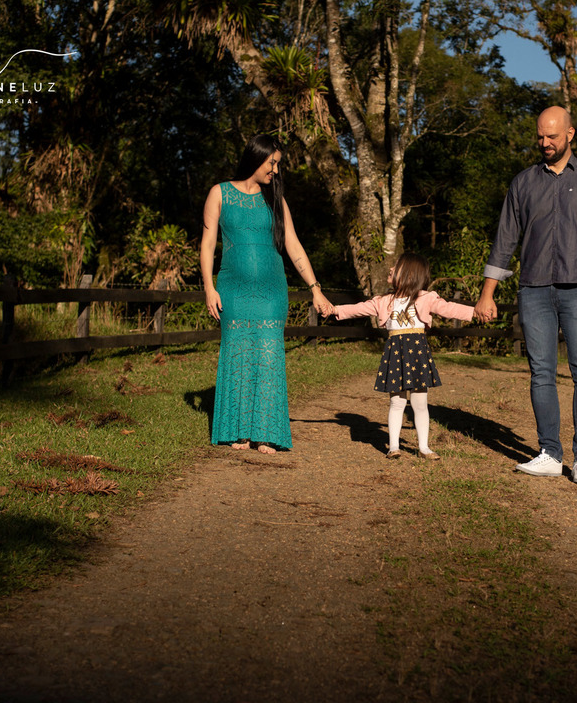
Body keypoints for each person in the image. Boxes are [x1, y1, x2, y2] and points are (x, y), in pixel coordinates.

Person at [473, 106, 577, 486]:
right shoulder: (523, 183)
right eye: (540, 136)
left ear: (570, 134)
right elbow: (504, 240)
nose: (544, 143)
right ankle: (548, 453)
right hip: (535, 290)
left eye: (552, 137)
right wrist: (486, 295)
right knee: (541, 372)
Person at [200, 134, 333, 454]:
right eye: (271, 162)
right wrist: (208, 287)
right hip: (233, 290)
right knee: (238, 355)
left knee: (268, 357)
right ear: (255, 158)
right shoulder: (219, 193)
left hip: (272, 292)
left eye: (278, 164)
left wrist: (315, 289)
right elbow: (207, 244)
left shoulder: (276, 199)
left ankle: (263, 433)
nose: (275, 169)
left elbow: (294, 246)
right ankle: (239, 431)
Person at [330, 252, 475, 459]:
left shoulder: (426, 298)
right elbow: (359, 309)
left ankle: (424, 448)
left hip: (417, 357)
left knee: (419, 403)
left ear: (409, 274)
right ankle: (394, 447)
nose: (390, 269)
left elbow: (449, 309)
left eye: (396, 266)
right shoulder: (384, 301)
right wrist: (334, 309)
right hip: (395, 355)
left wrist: (475, 312)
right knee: (397, 403)